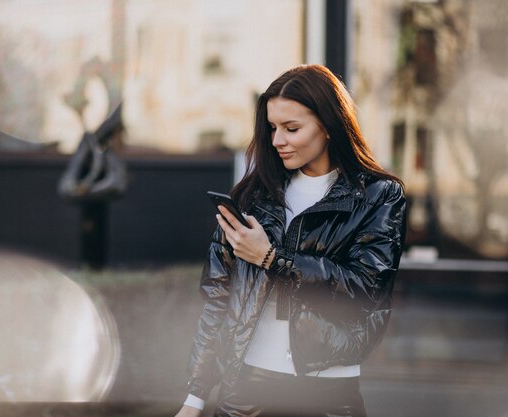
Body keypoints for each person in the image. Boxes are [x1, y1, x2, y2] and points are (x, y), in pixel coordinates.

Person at [174, 65, 407, 417]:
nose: (277, 140)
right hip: (246, 387)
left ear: (328, 125)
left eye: (291, 128)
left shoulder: (378, 196)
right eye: (272, 128)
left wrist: (272, 259)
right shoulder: (253, 196)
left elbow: (366, 288)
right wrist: (195, 396)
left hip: (329, 389)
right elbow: (219, 299)